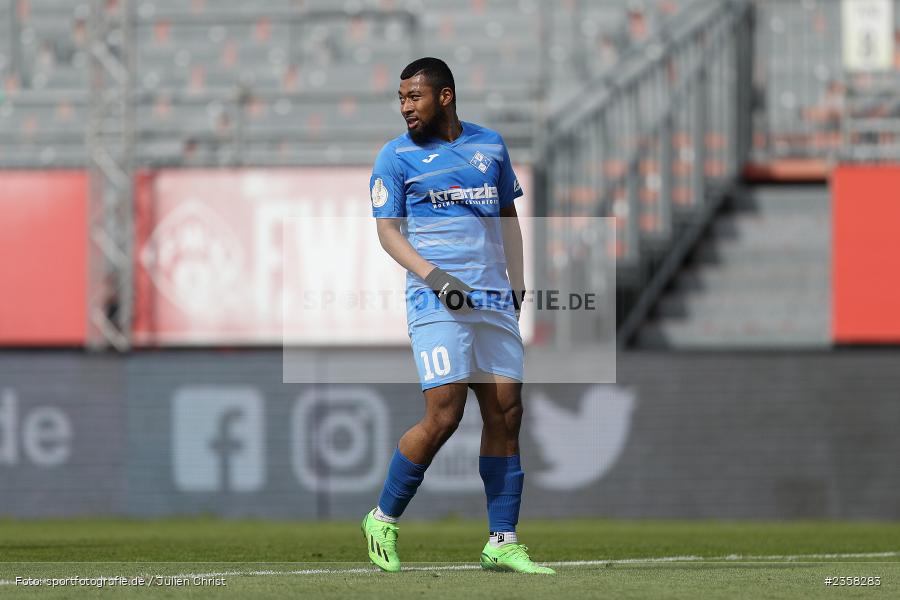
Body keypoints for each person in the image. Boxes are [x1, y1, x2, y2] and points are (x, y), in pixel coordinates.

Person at [361, 57, 554, 575]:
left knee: (507, 412)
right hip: (436, 298)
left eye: (413, 98)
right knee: (445, 412)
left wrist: (517, 279)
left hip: (492, 297)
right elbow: (388, 233)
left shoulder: (490, 146)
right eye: (401, 99)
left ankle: (503, 540)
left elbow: (508, 218)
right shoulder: (395, 158)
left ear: (444, 96)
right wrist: (436, 278)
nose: (405, 108)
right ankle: (382, 517)